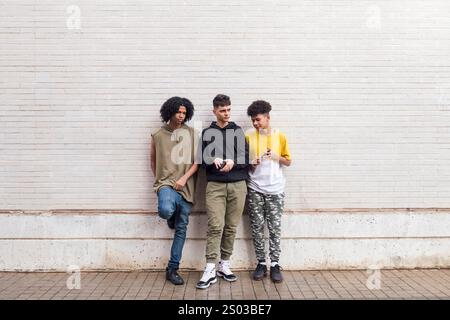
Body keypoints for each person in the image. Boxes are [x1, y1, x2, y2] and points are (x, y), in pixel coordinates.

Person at [196, 94, 250, 289]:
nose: (226, 114)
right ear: (215, 111)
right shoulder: (207, 133)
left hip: (238, 185)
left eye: (228, 110)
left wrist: (233, 162)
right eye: (222, 110)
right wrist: (212, 160)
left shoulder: (238, 131)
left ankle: (224, 265)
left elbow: (246, 158)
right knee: (215, 226)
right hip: (215, 186)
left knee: (231, 227)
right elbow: (201, 161)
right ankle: (210, 268)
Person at [150, 96, 199, 285]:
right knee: (165, 210)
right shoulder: (158, 135)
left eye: (184, 113)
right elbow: (153, 161)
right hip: (166, 185)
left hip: (186, 186)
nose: (181, 115)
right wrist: (160, 180)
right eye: (178, 112)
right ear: (169, 111)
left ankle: (172, 268)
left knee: (181, 228)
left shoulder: (193, 134)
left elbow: (197, 162)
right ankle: (170, 216)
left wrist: (184, 178)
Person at [245, 100, 292, 283]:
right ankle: (261, 263)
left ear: (267, 117)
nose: (255, 123)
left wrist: (276, 156)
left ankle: (275, 264)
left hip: (275, 189)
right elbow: (243, 162)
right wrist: (252, 162)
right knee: (256, 228)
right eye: (253, 121)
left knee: (274, 228)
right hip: (255, 188)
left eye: (258, 119)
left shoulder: (279, 136)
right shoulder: (248, 136)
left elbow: (288, 161)